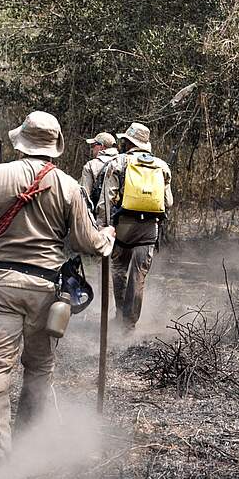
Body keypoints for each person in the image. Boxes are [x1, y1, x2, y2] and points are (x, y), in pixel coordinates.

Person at [0, 111, 115, 465]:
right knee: (39, 366)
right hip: (47, 291)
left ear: (21, 140)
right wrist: (107, 237)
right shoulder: (68, 185)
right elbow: (87, 242)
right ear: (55, 145)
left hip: (1, 285)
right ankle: (29, 442)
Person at [98, 122, 173, 330]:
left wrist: (102, 228)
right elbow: (168, 203)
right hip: (149, 229)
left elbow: (106, 201)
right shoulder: (162, 166)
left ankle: (119, 314)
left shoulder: (118, 163)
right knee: (139, 275)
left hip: (123, 226)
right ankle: (129, 324)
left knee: (120, 268)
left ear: (127, 142)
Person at [78, 131, 117, 211]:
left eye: (94, 145)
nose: (92, 148)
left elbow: (84, 197)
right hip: (120, 216)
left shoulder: (91, 165)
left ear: (102, 146)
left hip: (98, 215)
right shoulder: (124, 161)